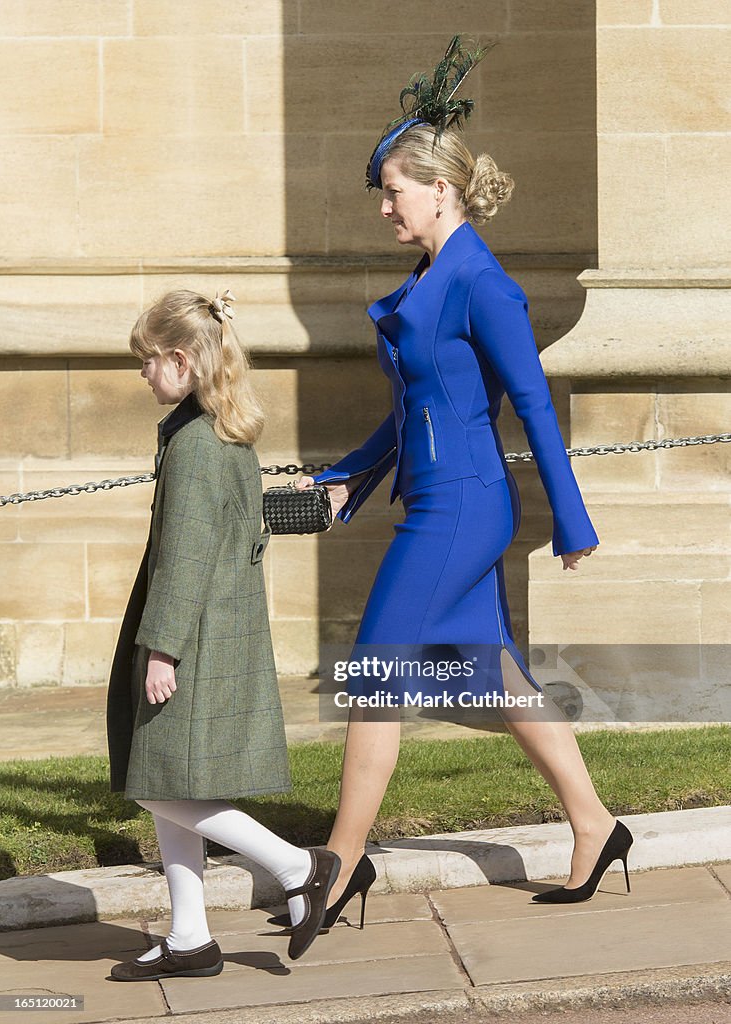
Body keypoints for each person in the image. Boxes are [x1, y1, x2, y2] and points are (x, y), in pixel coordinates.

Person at [293, 37, 633, 926]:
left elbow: (532, 404)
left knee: (372, 674)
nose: (385, 210)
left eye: (395, 193)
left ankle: (341, 862)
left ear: (439, 189)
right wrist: (345, 479)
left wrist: (573, 522)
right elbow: (415, 408)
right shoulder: (433, 273)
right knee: (492, 674)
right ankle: (596, 824)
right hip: (444, 498)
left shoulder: (485, 283)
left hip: (464, 508)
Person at [105, 289, 339, 980]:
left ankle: (297, 866)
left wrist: (163, 648)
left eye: (148, 360)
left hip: (194, 636)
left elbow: (186, 556)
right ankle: (190, 938)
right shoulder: (215, 430)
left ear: (181, 359)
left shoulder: (196, 446)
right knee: (170, 776)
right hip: (217, 629)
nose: (143, 374)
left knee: (154, 783)